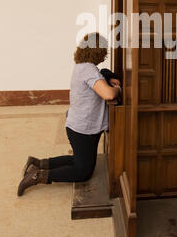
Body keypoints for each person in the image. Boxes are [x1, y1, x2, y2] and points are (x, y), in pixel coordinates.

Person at [17, 32, 121, 196]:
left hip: (79, 125)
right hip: (82, 129)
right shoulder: (88, 69)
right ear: (98, 51)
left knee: (78, 161)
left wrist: (108, 76)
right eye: (104, 50)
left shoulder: (83, 65)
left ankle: (37, 163)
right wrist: (118, 88)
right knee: (83, 172)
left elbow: (101, 75)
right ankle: (38, 176)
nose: (105, 54)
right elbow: (109, 94)